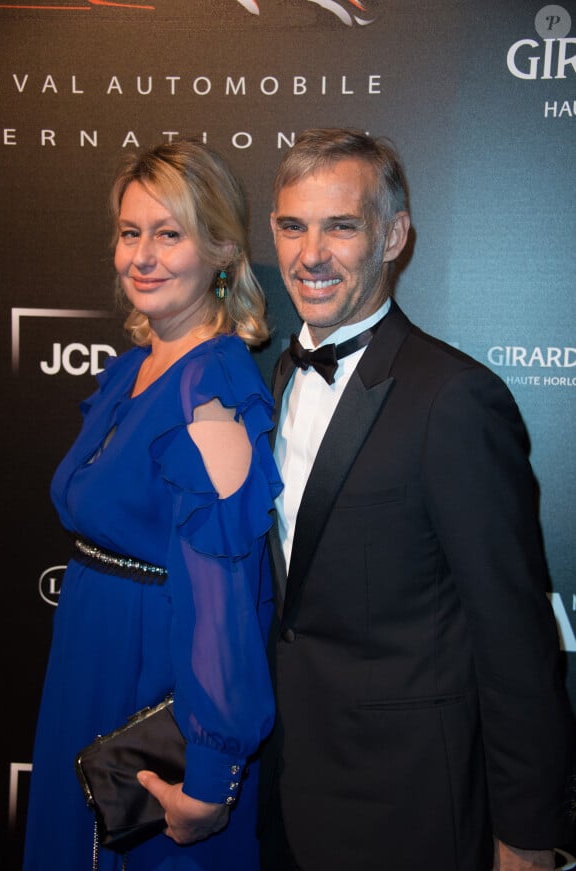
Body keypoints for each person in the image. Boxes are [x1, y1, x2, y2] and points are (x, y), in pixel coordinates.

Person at [259, 128, 575, 871]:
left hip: (408, 802)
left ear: (394, 234)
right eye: (293, 226)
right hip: (286, 784)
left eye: (342, 225)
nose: (312, 254)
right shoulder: (274, 377)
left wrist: (528, 836)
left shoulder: (455, 399)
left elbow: (516, 638)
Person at [22, 140, 282, 871]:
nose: (143, 255)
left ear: (223, 250)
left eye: (170, 234)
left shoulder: (213, 389)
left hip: (155, 686)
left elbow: (227, 594)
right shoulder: (133, 367)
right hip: (89, 660)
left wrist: (210, 771)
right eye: (131, 233)